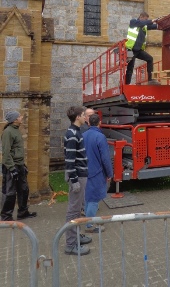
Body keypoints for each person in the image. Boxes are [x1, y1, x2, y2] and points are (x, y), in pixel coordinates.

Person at [64, 106, 92, 256]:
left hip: (82, 174)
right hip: (78, 176)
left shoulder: (77, 132)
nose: (85, 117)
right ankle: (70, 244)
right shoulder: (72, 134)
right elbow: (69, 160)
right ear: (77, 117)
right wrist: (74, 180)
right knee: (73, 210)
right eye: (83, 115)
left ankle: (76, 236)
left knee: (79, 207)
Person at [1, 111, 37, 221]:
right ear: (14, 120)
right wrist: (12, 168)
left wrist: (22, 165)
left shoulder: (16, 130)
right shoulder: (8, 132)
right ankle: (6, 216)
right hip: (11, 166)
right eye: (19, 116)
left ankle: (23, 212)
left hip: (20, 165)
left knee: (24, 189)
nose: (21, 117)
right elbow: (6, 153)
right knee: (10, 192)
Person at [83, 114, 113, 233]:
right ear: (99, 123)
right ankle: (89, 225)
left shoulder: (83, 135)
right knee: (94, 200)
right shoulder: (100, 137)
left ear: (89, 123)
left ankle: (86, 221)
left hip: (85, 171)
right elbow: (105, 158)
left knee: (87, 198)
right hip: (96, 172)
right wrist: (109, 173)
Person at [125, 11, 160, 85]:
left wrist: (158, 24)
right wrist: (151, 21)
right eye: (145, 19)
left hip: (139, 50)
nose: (146, 21)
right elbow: (142, 23)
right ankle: (127, 84)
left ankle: (150, 80)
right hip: (130, 49)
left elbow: (153, 26)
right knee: (130, 67)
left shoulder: (144, 26)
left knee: (150, 59)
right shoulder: (133, 22)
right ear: (141, 17)